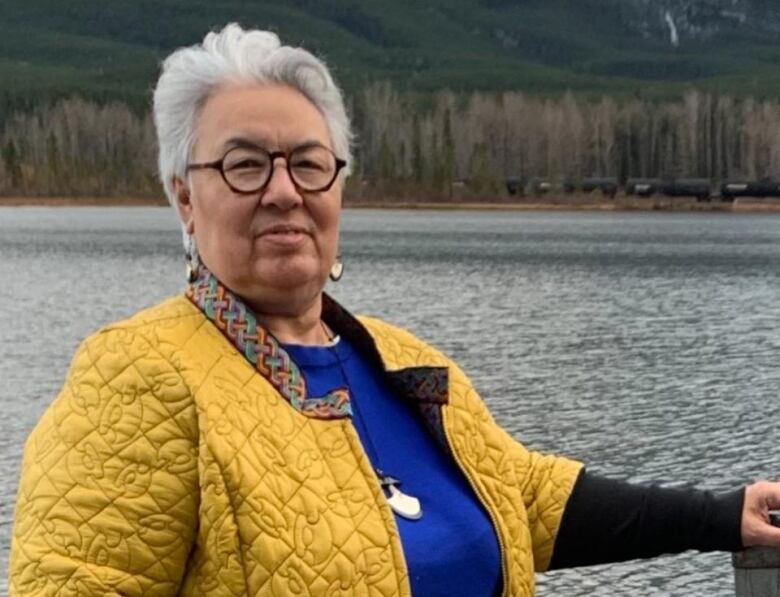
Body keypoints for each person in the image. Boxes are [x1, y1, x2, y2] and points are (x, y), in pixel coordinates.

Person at [8, 23, 780, 597]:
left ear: (338, 184)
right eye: (244, 164)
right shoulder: (138, 378)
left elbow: (521, 495)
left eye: (309, 163)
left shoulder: (407, 364)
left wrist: (721, 514)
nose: (284, 191)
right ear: (184, 194)